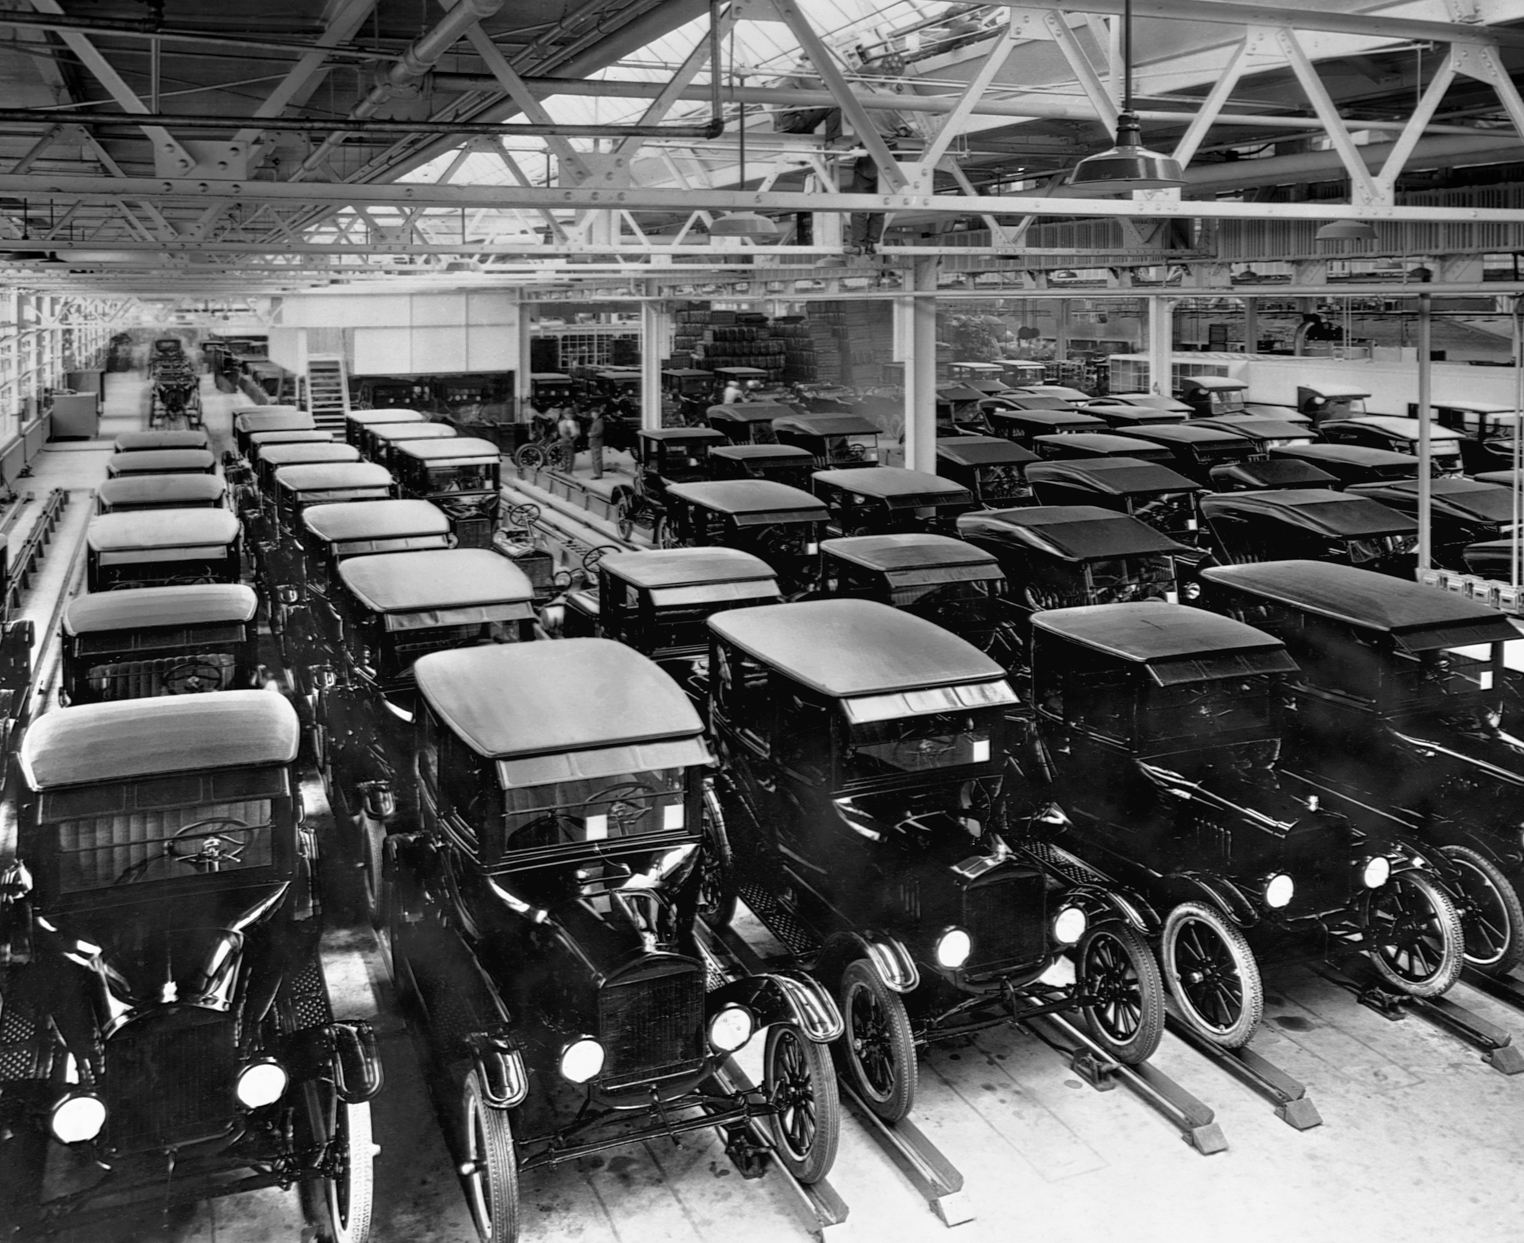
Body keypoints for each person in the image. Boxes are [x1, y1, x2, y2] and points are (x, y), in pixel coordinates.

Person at [588, 408, 605, 480]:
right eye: (592, 413)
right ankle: (596, 473)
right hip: (594, 442)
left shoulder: (599, 421)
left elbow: (600, 432)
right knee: (594, 459)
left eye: (594, 413)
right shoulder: (595, 421)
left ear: (598, 413)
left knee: (597, 458)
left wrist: (591, 434)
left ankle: (598, 474)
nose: (593, 415)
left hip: (597, 442)